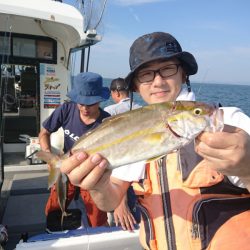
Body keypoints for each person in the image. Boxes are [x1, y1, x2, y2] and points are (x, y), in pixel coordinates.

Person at [60, 32, 250, 249]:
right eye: (146, 74)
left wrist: (247, 168)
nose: (158, 81)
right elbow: (110, 202)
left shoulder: (231, 121)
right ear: (136, 87)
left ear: (184, 74)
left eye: (168, 69)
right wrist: (99, 185)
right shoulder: (134, 129)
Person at [39, 72, 110, 229]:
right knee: (54, 208)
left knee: (97, 219)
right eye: (80, 103)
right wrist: (49, 155)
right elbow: (44, 132)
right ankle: (52, 232)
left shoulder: (107, 122)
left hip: (93, 173)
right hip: (66, 167)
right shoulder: (66, 109)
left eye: (90, 104)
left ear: (99, 100)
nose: (84, 108)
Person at [104, 77, 141, 231]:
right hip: (140, 176)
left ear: (116, 92)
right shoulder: (141, 110)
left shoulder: (108, 112)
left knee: (119, 222)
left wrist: (120, 200)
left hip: (118, 175)